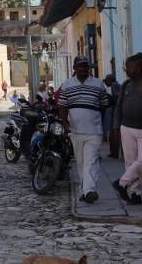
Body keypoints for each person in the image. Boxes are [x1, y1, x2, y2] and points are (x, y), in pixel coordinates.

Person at [59, 55, 108, 204]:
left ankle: (90, 190)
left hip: (94, 131)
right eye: (81, 66)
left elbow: (104, 105)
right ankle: (83, 190)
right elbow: (62, 106)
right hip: (75, 131)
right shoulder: (67, 85)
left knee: (91, 161)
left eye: (86, 66)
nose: (84, 69)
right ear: (75, 68)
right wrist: (66, 125)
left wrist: (96, 120)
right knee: (80, 162)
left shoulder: (98, 84)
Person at [113, 53, 142, 204]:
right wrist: (116, 127)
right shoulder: (126, 85)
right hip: (126, 128)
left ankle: (121, 183)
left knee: (141, 161)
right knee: (130, 162)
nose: (126, 69)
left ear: (139, 68)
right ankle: (135, 193)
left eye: (129, 66)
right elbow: (118, 107)